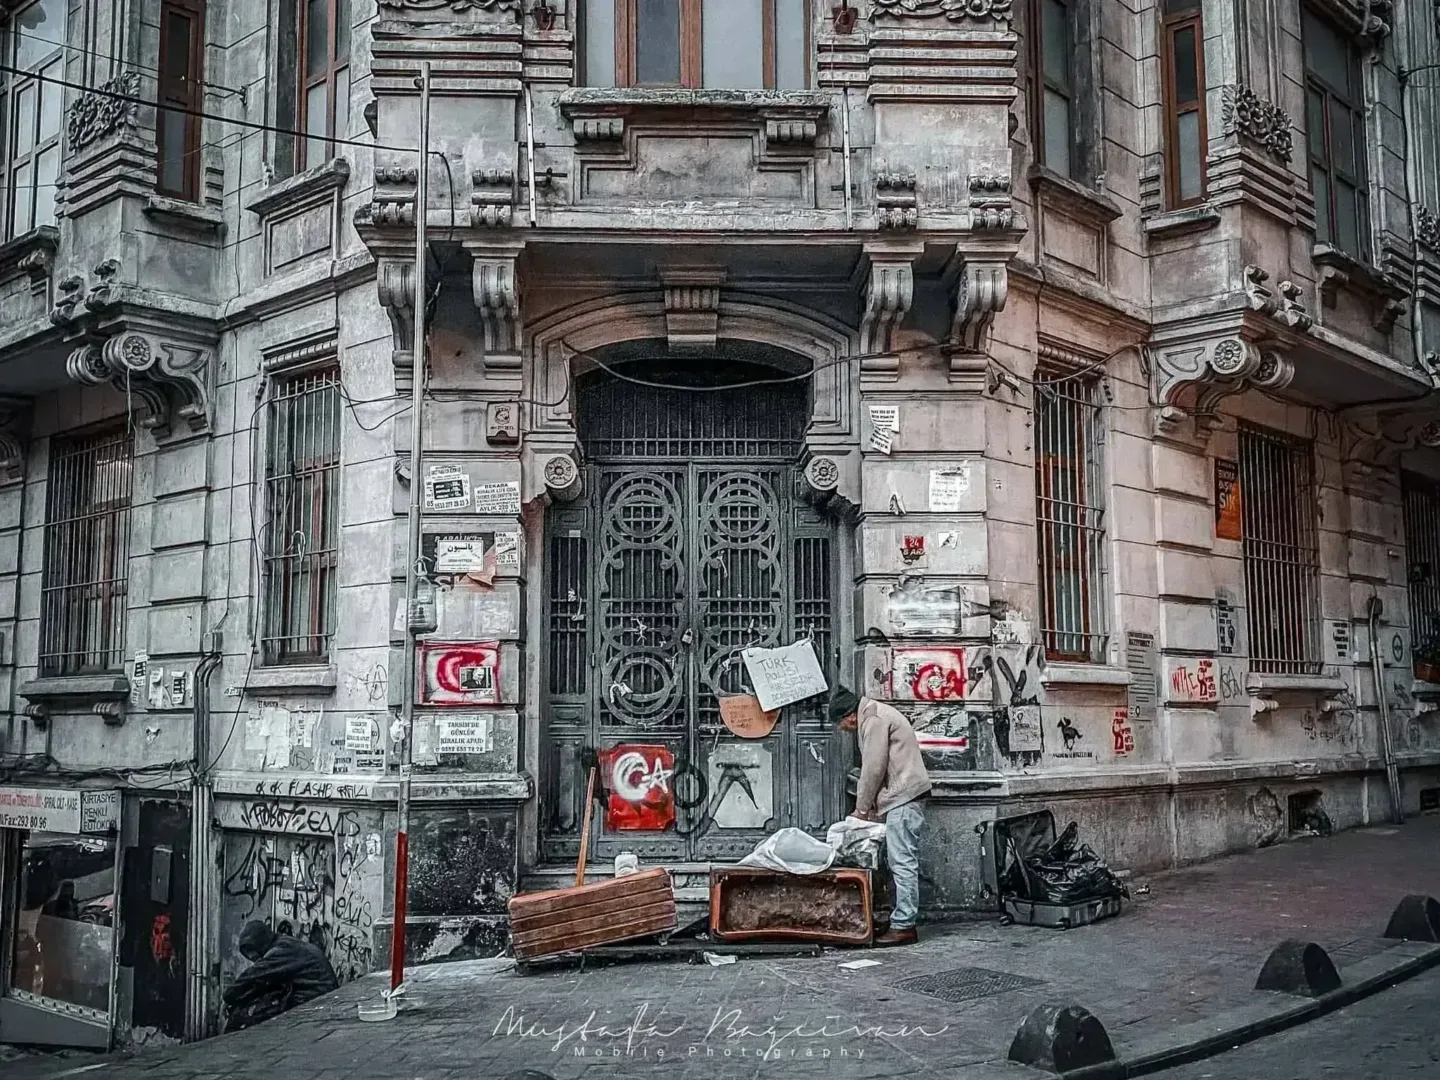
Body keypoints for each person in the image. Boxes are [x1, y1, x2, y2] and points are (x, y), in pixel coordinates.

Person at [830, 687, 931, 946]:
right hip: (901, 797)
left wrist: (862, 809)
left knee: (902, 862)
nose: (843, 729)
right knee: (897, 860)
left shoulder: (873, 719)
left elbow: (874, 768)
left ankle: (904, 925)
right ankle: (898, 917)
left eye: (841, 723)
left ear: (850, 716)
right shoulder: (874, 714)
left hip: (904, 798)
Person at [222, 921, 339, 1033]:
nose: (251, 956)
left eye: (252, 950)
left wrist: (229, 997)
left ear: (260, 943)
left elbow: (252, 976)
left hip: (318, 1000)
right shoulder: (286, 944)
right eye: (247, 953)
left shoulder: (280, 951)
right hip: (320, 995)